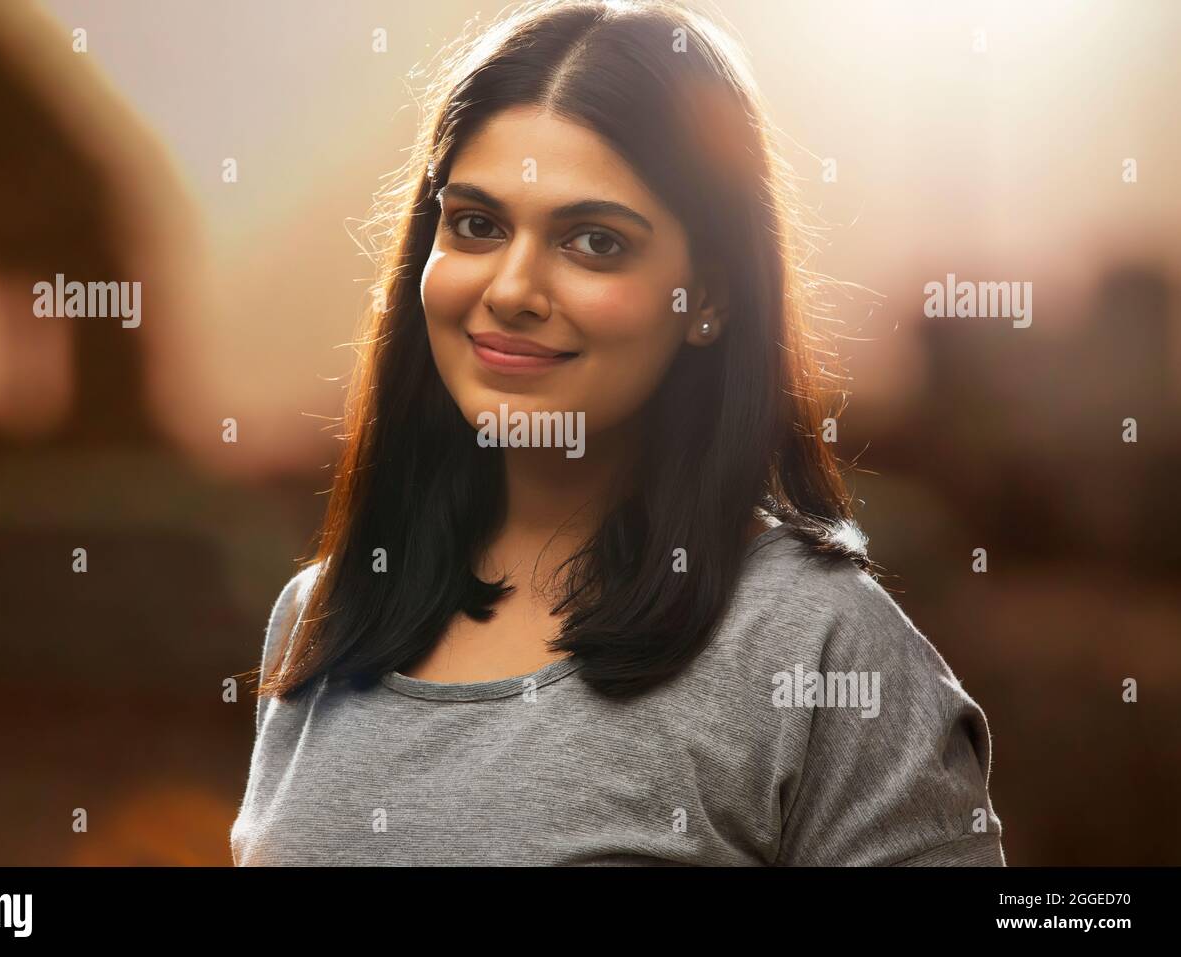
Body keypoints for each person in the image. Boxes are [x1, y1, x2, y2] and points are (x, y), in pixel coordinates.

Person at [231, 0, 1005, 866]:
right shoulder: (323, 613)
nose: (514, 288)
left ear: (708, 298)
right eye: (477, 225)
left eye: (594, 241)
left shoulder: (818, 650)